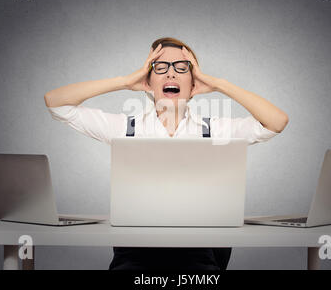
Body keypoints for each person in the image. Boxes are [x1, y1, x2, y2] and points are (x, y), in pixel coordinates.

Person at [44, 37, 289, 270]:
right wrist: (124, 81)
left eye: (183, 67)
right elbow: (55, 102)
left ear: (194, 85)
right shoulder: (126, 128)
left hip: (197, 252)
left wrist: (219, 84)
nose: (171, 73)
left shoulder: (214, 130)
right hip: (134, 251)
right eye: (160, 67)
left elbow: (276, 121)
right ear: (148, 83)